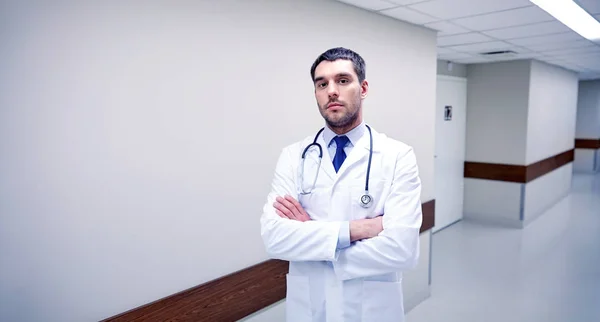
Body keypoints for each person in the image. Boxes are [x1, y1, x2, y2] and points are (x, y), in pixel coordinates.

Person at [260, 47, 423, 322]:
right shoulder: (293, 156)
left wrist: (311, 239)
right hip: (309, 309)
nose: (331, 91)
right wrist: (358, 230)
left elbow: (403, 249)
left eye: (343, 80)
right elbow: (274, 239)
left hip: (371, 310)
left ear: (363, 88)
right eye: (322, 84)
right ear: (315, 93)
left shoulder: (398, 156)